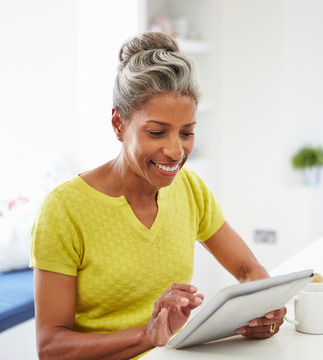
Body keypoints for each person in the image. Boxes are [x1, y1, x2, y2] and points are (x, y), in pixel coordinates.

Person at [30, 32, 285, 360]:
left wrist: (264, 309)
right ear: (119, 123)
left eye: (187, 132)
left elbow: (250, 270)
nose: (176, 151)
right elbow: (51, 347)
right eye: (156, 132)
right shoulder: (64, 209)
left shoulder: (189, 188)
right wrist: (147, 336)